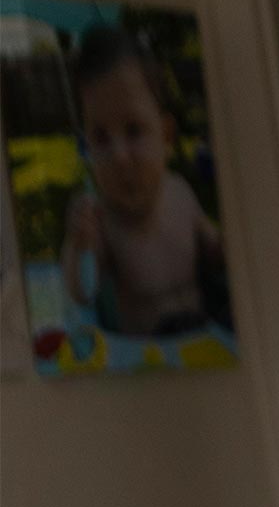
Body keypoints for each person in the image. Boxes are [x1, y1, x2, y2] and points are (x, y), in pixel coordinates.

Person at [62, 27, 224, 339]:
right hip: (149, 353)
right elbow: (82, 292)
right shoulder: (104, 224)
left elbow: (215, 251)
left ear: (166, 136)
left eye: (134, 130)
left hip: (204, 341)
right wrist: (78, 244)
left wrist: (223, 248)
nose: (119, 157)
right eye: (101, 138)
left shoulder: (181, 193)